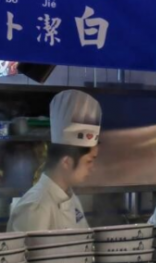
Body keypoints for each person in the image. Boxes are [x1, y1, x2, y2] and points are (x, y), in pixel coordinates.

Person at [9, 90, 102, 232]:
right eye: (89, 161)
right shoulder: (35, 207)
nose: (92, 168)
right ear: (66, 162)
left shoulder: (71, 198)